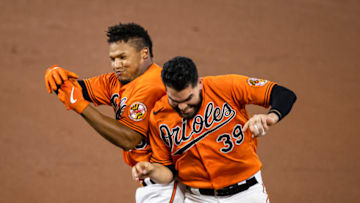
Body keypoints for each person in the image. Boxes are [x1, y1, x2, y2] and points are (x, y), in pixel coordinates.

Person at [44, 23, 184, 203]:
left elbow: (129, 138)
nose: (116, 65)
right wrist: (55, 74)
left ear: (144, 53)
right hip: (156, 182)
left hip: (168, 184)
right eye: (113, 59)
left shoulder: (151, 84)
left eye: (123, 57)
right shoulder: (118, 81)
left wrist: (82, 107)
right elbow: (74, 90)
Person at [132, 56, 297, 203]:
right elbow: (168, 173)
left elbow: (283, 94)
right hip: (197, 198)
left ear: (199, 84)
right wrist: (151, 170)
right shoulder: (159, 116)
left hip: (247, 194)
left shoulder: (226, 87)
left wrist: (271, 117)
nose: (182, 107)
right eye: (175, 100)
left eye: (189, 98)